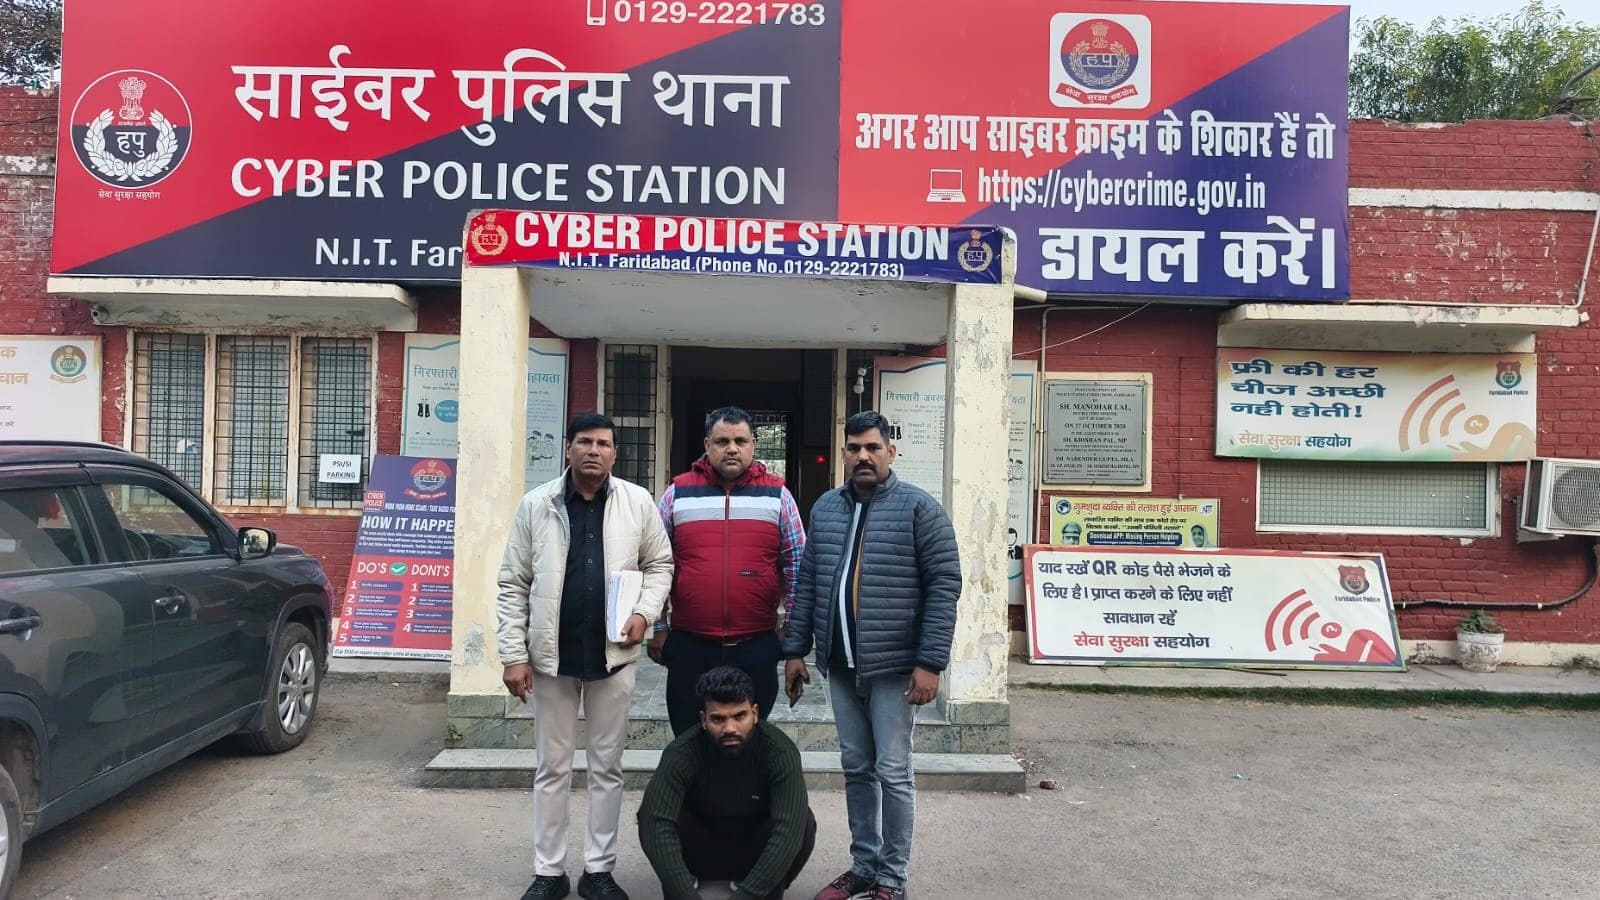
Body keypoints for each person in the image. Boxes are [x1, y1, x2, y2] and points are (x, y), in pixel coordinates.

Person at [781, 410, 961, 900]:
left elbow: (944, 586)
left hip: (894, 668)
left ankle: (892, 878)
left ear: (890, 452)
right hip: (841, 665)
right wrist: (795, 650)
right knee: (856, 767)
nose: (863, 456)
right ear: (843, 453)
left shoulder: (919, 509)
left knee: (893, 772)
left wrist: (930, 663)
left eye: (873, 448)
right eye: (854, 448)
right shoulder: (826, 509)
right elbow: (809, 582)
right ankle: (864, 866)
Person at [497, 412, 675, 900]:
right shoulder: (537, 505)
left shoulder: (637, 502)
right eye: (584, 442)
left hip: (613, 656)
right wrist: (513, 654)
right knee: (552, 768)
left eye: (603, 443)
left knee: (606, 767)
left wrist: (645, 613)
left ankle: (599, 871)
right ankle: (549, 873)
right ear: (568, 449)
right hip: (550, 659)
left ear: (615, 453)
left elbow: (660, 563)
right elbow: (513, 583)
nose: (593, 450)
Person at [651, 406, 805, 735]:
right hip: (690, 645)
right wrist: (659, 627)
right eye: (722, 441)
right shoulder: (678, 493)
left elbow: (797, 566)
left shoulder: (778, 495)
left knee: (748, 741)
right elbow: (656, 563)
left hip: (755, 645)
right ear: (707, 444)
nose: (731, 449)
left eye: (740, 441)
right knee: (689, 738)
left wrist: (792, 632)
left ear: (753, 445)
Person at [638, 666, 817, 900]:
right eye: (718, 719)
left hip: (755, 853)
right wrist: (684, 894)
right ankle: (685, 880)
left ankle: (761, 888)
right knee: (652, 813)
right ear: (703, 720)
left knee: (802, 821)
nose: (729, 728)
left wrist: (747, 896)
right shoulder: (682, 752)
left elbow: (788, 833)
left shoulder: (779, 752)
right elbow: (655, 825)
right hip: (700, 850)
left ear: (755, 713)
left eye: (739, 716)